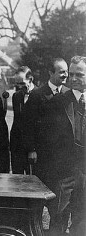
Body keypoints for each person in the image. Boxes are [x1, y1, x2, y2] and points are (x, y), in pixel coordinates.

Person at [22, 58, 68, 233]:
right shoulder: (37, 94)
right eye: (61, 72)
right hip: (42, 156)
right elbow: (27, 124)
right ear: (51, 73)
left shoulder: (68, 93)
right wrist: (31, 149)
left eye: (66, 72)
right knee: (40, 196)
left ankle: (56, 230)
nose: (65, 75)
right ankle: (35, 230)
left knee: (59, 198)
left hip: (62, 158)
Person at [45, 56, 86, 235]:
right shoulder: (58, 101)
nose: (74, 78)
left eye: (80, 74)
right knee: (58, 219)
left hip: (85, 173)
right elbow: (48, 139)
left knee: (82, 221)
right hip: (64, 173)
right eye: (72, 74)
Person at [10, 66, 36, 174]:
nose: (19, 87)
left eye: (21, 83)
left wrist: (33, 149)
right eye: (17, 84)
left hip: (33, 150)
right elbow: (16, 122)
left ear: (30, 79)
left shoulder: (40, 95)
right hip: (17, 149)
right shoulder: (16, 96)